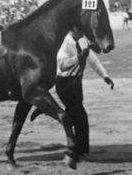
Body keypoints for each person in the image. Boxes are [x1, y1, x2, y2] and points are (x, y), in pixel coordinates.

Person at [30, 27, 114, 161]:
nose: (81, 31)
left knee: (75, 116)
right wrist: (78, 58)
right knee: (81, 117)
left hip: (76, 84)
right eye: (78, 29)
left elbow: (93, 60)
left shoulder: (82, 41)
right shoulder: (64, 44)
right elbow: (62, 65)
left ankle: (46, 109)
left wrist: (105, 76)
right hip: (64, 84)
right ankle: (80, 151)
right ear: (71, 30)